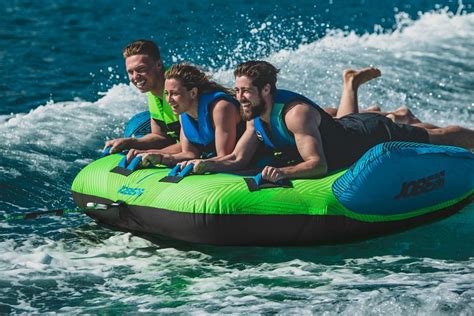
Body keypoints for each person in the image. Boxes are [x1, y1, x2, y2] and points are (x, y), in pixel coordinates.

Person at [180, 60, 474, 182]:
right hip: (346, 129)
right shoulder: (255, 117)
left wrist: (284, 172)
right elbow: (235, 158)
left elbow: (317, 164)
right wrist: (204, 165)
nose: (239, 97)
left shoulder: (295, 114)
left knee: (441, 137)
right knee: (342, 125)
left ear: (266, 90)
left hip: (371, 135)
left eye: (245, 91)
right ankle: (357, 90)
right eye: (237, 90)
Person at [126, 63, 243, 166]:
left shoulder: (221, 108)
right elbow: (189, 153)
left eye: (175, 94)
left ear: (193, 93)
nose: (169, 100)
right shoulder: (184, 113)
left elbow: (224, 157)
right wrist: (152, 155)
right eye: (166, 93)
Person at [104, 40, 181, 155]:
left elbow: (195, 144)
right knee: (133, 129)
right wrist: (130, 142)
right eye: (130, 72)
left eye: (141, 69)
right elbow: (160, 136)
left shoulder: (180, 90)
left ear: (158, 65)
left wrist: (153, 153)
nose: (135, 77)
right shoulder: (153, 88)